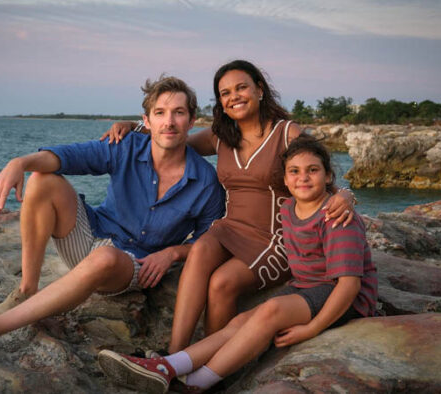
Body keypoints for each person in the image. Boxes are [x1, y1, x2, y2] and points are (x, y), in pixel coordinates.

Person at [0, 75, 225, 353]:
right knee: (42, 178)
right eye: (160, 113)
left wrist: (171, 253)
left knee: (105, 258)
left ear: (192, 121)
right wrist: (21, 161)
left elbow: (208, 245)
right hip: (90, 235)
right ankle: (27, 289)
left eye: (179, 113)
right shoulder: (126, 146)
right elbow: (71, 156)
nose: (169, 122)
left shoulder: (205, 182)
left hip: (132, 265)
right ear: (146, 120)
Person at [102, 60, 356, 353]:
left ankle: (209, 367)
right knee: (199, 249)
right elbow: (172, 138)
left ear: (259, 90)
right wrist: (133, 128)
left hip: (275, 238)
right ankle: (174, 356)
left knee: (222, 282)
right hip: (229, 229)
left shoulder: (286, 133)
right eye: (225, 93)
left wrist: (346, 196)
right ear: (220, 103)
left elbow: (316, 169)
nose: (233, 96)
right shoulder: (220, 136)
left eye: (241, 88)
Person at [98, 134, 378, 394]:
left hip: (342, 295)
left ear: (328, 175)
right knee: (240, 322)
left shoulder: (338, 219)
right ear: (285, 178)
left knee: (270, 311)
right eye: (294, 171)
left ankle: (195, 384)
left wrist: (312, 328)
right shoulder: (289, 209)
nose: (303, 177)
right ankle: (169, 366)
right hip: (306, 288)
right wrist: (132, 130)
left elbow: (349, 285)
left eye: (313, 170)